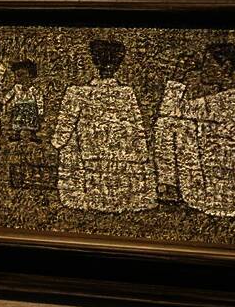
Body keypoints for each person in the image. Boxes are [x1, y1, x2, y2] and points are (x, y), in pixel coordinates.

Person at [153, 42, 235, 219]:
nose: (202, 70)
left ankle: (169, 186)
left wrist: (178, 76)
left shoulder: (227, 101)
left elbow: (169, 110)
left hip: (223, 192)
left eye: (208, 63)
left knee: (168, 123)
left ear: (226, 68)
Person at [51, 39, 157, 213]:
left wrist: (57, 143)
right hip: (118, 153)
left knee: (73, 146)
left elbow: (64, 128)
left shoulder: (77, 93)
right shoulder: (126, 92)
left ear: (94, 62)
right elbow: (137, 127)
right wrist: (141, 152)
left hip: (90, 153)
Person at [4, 59, 44, 143]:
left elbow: (39, 100)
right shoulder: (16, 87)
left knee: (32, 122)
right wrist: (4, 101)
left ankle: (33, 135)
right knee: (18, 122)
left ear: (29, 75)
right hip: (19, 108)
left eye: (20, 75)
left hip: (31, 109)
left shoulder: (33, 89)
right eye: (16, 76)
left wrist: (40, 111)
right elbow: (9, 95)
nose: (17, 78)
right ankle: (16, 135)